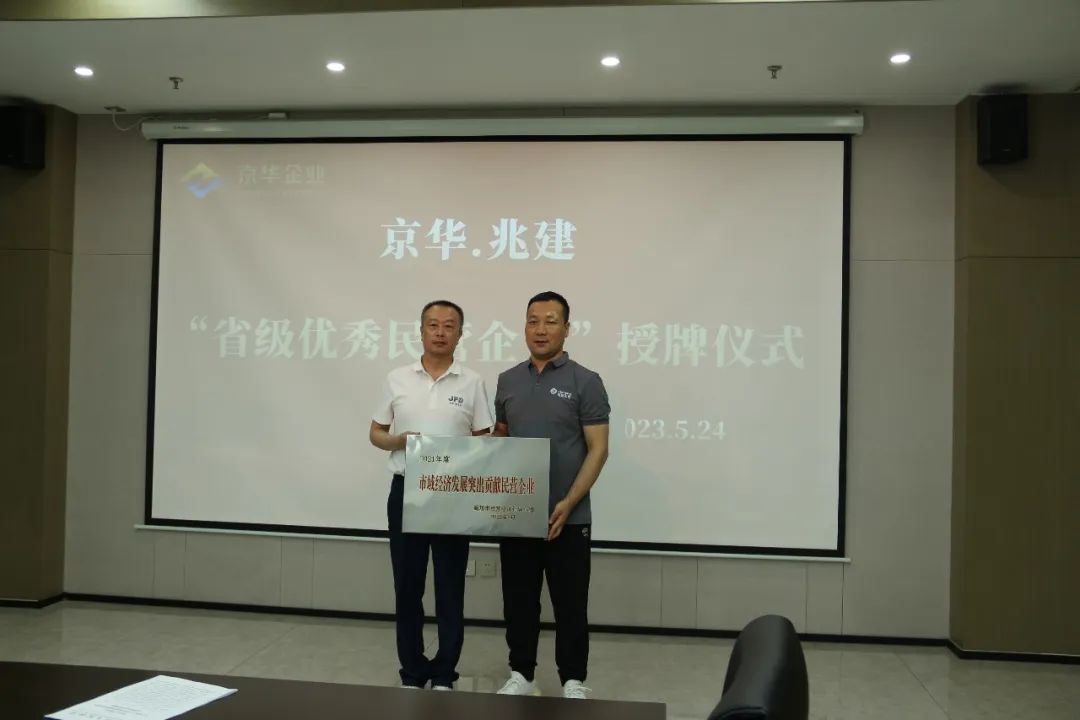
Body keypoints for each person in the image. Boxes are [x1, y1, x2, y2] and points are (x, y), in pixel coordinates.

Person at [369, 300, 493, 690]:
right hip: (407, 490)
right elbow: (376, 433)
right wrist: (400, 441)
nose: (440, 332)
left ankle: (444, 673)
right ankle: (412, 670)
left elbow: (484, 439)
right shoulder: (397, 379)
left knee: (450, 586)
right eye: (433, 325)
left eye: (449, 326)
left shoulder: (472, 382)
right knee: (407, 586)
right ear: (421, 331)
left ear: (460, 334)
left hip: (453, 494)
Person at [493, 291, 611, 699]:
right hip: (516, 515)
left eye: (550, 321)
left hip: (569, 516)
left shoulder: (586, 381)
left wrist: (569, 502)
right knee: (518, 601)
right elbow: (501, 440)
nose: (540, 329)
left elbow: (598, 450)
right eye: (533, 321)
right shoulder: (507, 380)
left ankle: (573, 679)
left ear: (567, 328)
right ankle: (521, 673)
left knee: (571, 604)